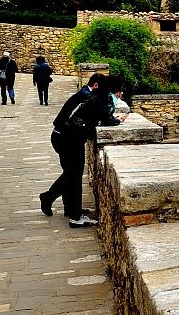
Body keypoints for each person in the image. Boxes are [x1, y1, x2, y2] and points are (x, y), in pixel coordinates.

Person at [40, 74, 123, 227]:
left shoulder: (92, 96)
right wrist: (118, 120)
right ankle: (73, 216)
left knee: (71, 174)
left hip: (63, 136)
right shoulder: (96, 99)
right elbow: (107, 119)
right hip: (69, 139)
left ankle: (70, 208)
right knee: (73, 175)